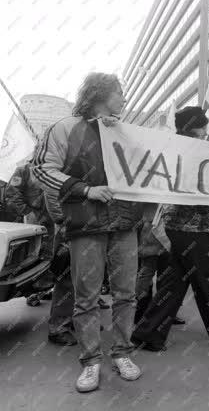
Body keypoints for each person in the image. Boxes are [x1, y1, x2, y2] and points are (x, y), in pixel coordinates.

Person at [33, 73, 143, 393]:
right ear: (101, 93)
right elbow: (42, 169)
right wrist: (85, 190)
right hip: (86, 227)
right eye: (120, 92)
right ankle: (91, 360)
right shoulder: (65, 128)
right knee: (86, 298)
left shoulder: (125, 132)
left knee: (126, 294)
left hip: (124, 225)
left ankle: (122, 353)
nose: (124, 98)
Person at [131, 106, 209, 350]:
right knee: (206, 281)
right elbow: (199, 189)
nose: (207, 130)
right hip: (193, 228)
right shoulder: (195, 152)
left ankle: (148, 333)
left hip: (176, 226)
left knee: (173, 282)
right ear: (196, 127)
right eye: (204, 125)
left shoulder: (176, 148)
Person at [5, 161, 76, 346]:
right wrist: (29, 213)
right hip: (38, 230)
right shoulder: (25, 169)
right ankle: (36, 295)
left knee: (67, 271)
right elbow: (11, 196)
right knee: (40, 270)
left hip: (63, 228)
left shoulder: (64, 167)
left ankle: (70, 320)